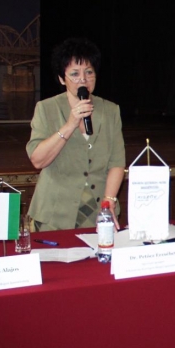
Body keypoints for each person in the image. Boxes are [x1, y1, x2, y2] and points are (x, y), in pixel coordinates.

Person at [26, 37, 125, 231]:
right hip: (54, 215)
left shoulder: (111, 110)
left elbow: (117, 162)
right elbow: (38, 160)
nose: (83, 79)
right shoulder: (46, 108)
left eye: (89, 72)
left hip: (99, 211)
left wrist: (109, 201)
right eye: (74, 73)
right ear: (62, 79)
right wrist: (70, 124)